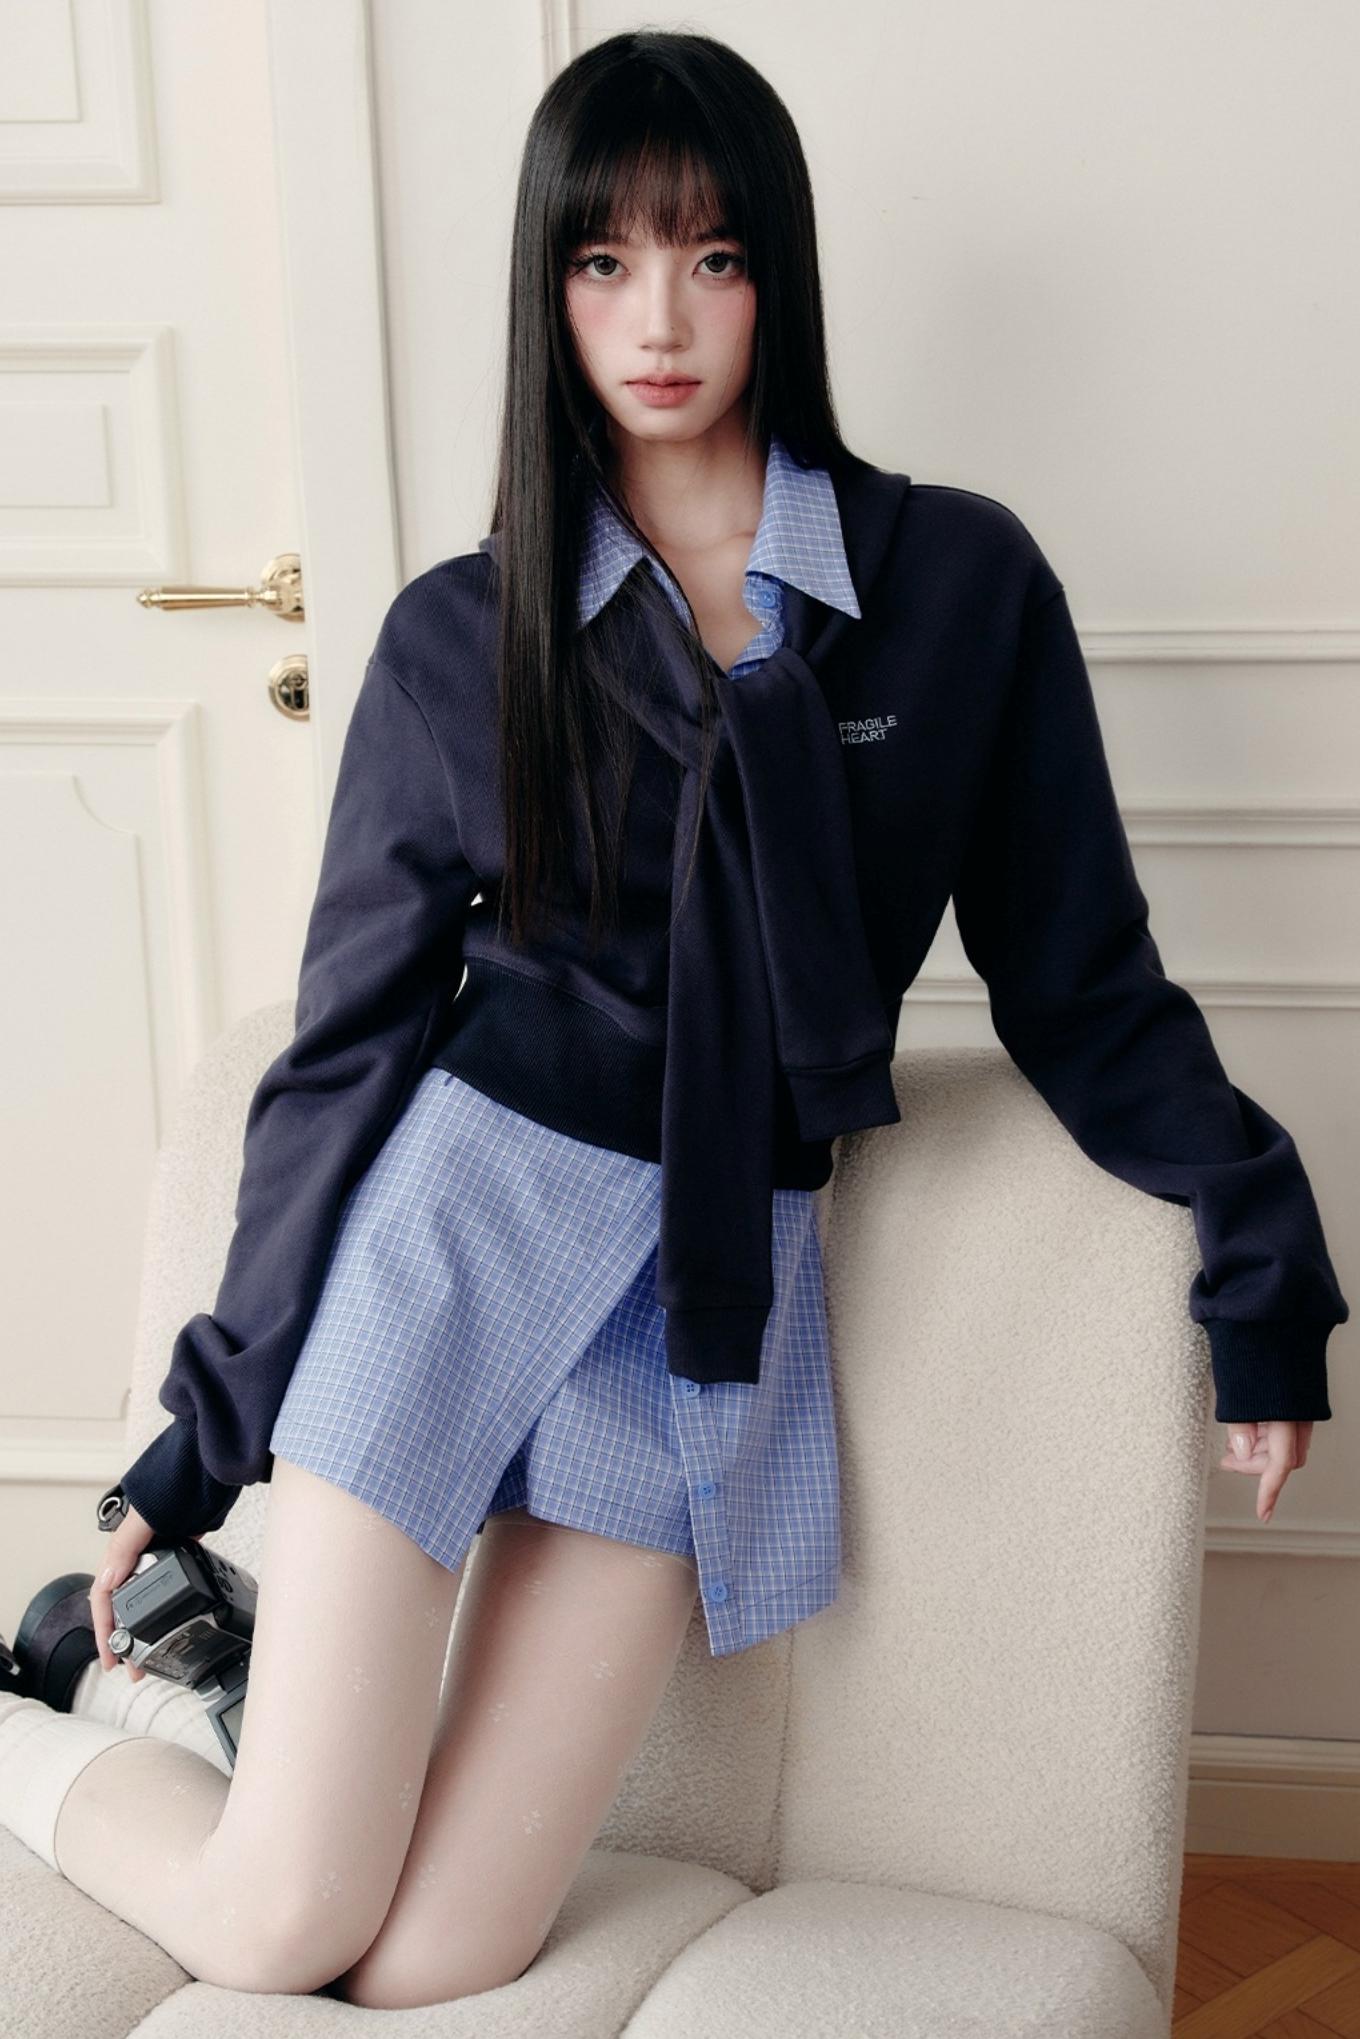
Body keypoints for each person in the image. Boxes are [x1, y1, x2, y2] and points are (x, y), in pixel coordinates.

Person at [0, 25, 1344, 2013]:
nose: (657, 319)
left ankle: (214, 1702)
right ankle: (45, 1712)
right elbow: (350, 1050)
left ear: (775, 278)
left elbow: (1084, 986)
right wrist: (197, 1439)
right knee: (287, 1925)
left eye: (711, 258)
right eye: (602, 261)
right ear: (547, 292)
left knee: (435, 1957)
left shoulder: (954, 589)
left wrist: (1260, 1261)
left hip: (708, 1276)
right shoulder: (467, 633)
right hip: (455, 1240)